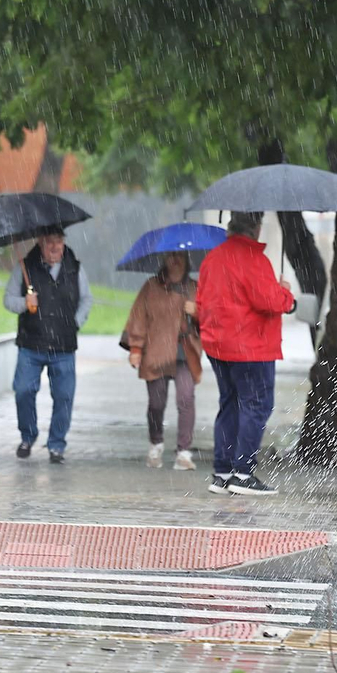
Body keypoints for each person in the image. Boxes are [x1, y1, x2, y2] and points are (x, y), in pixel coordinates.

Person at [194, 212, 294, 497]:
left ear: (231, 227)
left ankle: (222, 473)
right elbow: (270, 301)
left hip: (218, 346)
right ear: (256, 227)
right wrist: (286, 294)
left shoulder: (212, 258)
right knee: (257, 404)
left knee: (230, 404)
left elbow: (202, 300)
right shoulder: (254, 259)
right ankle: (243, 473)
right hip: (251, 347)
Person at [3, 227, 92, 463]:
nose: (55, 247)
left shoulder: (75, 268)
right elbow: (8, 299)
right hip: (31, 345)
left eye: (59, 242)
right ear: (40, 243)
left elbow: (86, 299)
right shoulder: (25, 267)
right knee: (23, 390)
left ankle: (56, 445)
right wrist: (25, 302)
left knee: (64, 396)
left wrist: (75, 323)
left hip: (64, 347)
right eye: (50, 242)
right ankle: (28, 436)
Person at [122, 251, 204, 471]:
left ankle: (184, 452)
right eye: (171, 256)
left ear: (187, 260)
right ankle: (156, 443)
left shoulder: (195, 288)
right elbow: (138, 317)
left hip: (186, 353)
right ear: (164, 260)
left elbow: (210, 322)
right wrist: (136, 348)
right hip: (156, 352)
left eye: (180, 256)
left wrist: (197, 313)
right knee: (156, 403)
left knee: (186, 399)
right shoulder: (151, 287)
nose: (175, 261)